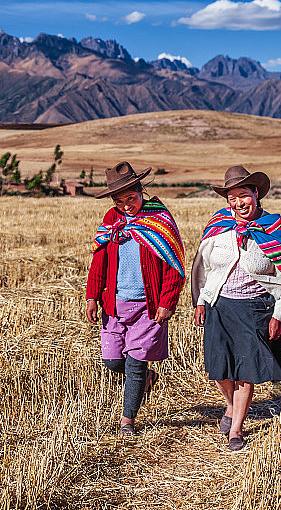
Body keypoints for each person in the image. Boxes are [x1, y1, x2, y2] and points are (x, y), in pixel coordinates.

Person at [191, 165, 281, 450]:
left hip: (255, 309)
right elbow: (203, 268)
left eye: (244, 195)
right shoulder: (218, 227)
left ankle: (236, 429)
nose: (239, 203)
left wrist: (278, 314)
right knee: (220, 371)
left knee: (246, 373)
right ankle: (231, 406)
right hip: (220, 306)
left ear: (256, 194)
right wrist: (200, 300)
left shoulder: (272, 228)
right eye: (232, 198)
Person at [86, 161, 186, 437]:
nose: (126, 205)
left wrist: (167, 302)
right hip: (114, 305)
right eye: (119, 201)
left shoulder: (159, 220)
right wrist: (92, 296)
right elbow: (99, 262)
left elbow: (174, 265)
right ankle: (147, 378)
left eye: (131, 198)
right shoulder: (111, 221)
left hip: (148, 307)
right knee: (112, 361)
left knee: (134, 364)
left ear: (141, 191)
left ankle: (127, 421)